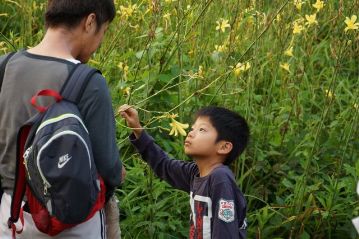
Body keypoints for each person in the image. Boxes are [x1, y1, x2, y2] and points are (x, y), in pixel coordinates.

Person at [0, 1, 124, 238]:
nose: (100, 43)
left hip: (12, 218)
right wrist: (118, 171)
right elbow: (108, 167)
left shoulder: (4, 67)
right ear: (90, 22)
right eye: (104, 31)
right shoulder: (89, 82)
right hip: (71, 224)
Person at [119, 104, 249, 238]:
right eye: (193, 128)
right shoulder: (195, 172)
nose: (191, 133)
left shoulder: (220, 178)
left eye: (202, 130)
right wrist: (137, 128)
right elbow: (164, 165)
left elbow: (225, 234)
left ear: (224, 147)